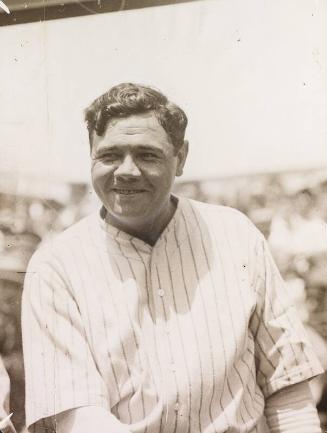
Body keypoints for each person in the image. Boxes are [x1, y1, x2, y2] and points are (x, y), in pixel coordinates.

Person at [22, 83, 324, 433]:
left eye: (147, 155)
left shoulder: (236, 236)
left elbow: (288, 385)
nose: (126, 171)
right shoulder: (55, 267)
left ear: (181, 158)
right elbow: (77, 416)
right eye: (109, 155)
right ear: (91, 154)